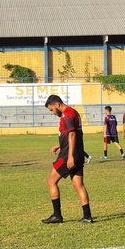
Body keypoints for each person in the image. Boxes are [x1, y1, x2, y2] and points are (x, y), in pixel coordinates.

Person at [43, 94, 93, 223]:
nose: (52, 113)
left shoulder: (67, 114)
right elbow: (72, 135)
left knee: (51, 181)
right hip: (78, 154)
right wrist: (59, 145)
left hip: (67, 156)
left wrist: (70, 156)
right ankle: (87, 216)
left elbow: (72, 135)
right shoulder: (73, 112)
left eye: (52, 110)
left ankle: (57, 215)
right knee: (78, 184)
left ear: (57, 104)